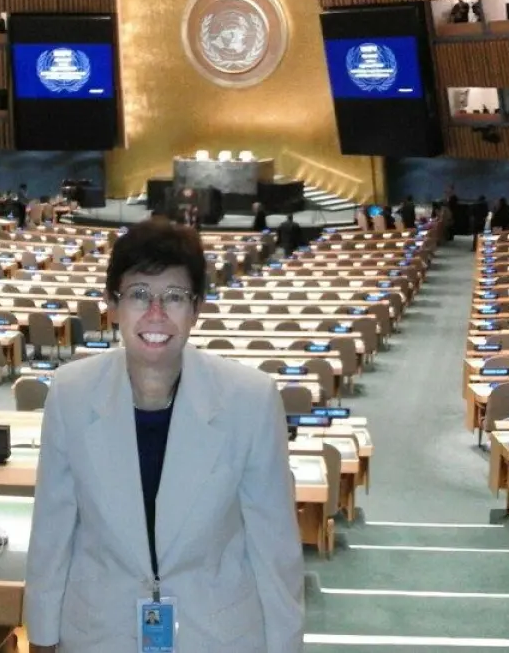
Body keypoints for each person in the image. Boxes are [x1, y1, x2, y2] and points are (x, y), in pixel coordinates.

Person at [24, 219, 303, 653]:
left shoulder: (251, 399)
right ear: (112, 303)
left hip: (217, 638)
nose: (156, 313)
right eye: (139, 294)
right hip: (99, 635)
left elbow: (275, 547)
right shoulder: (70, 392)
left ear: (196, 308)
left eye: (174, 296)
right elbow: (52, 529)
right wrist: (42, 637)